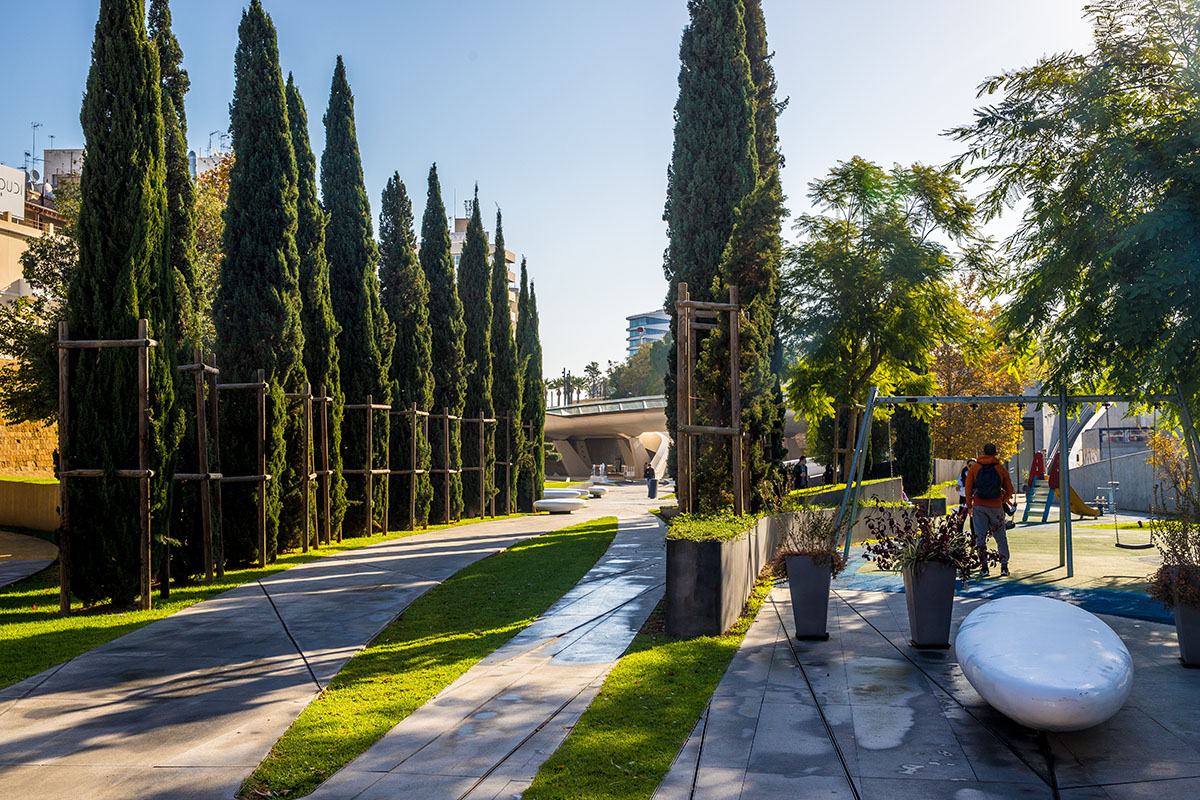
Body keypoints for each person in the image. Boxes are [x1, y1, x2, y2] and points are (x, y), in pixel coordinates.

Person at [964, 443, 1015, 577]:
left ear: (983, 452)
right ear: (995, 453)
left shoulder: (974, 468)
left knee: (980, 537)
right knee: (1000, 537)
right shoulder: (1000, 469)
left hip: (979, 506)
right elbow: (1010, 489)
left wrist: (970, 505)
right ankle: (1004, 566)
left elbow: (968, 489)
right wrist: (1002, 500)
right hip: (996, 507)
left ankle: (984, 568)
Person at [955, 458, 977, 535]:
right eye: (970, 465)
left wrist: (964, 489)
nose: (972, 467)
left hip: (975, 503)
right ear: (967, 466)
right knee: (960, 523)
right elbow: (958, 489)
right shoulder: (962, 475)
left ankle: (974, 540)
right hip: (963, 502)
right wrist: (969, 490)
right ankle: (959, 539)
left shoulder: (979, 475)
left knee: (974, 524)